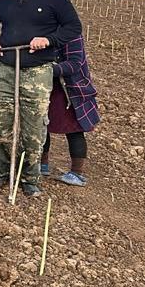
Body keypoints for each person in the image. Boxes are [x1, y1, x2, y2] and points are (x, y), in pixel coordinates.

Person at [0, 0, 81, 198]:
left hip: (37, 72)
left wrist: (49, 40)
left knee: (34, 128)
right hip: (5, 68)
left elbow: (73, 27)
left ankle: (29, 178)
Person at [41, 36, 99, 185]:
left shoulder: (71, 34)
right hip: (47, 86)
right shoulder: (47, 28)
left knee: (74, 130)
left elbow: (74, 64)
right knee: (41, 125)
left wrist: (44, 69)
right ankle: (42, 164)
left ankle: (76, 173)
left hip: (70, 89)